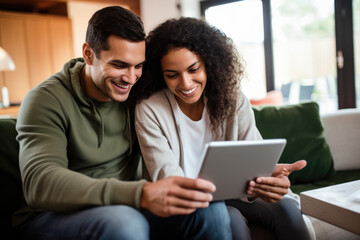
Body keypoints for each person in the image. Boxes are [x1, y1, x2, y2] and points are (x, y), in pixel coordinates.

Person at [14, 7, 233, 240]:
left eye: (138, 66)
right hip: (54, 216)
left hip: (129, 206)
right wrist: (140, 193)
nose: (130, 78)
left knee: (209, 208)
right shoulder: (46, 100)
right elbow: (40, 182)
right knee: (124, 223)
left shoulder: (139, 92)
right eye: (119, 65)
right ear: (88, 54)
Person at [133, 17, 312, 240]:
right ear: (161, 74)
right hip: (193, 205)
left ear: (209, 62)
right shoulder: (150, 110)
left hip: (240, 195)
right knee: (229, 220)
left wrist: (267, 178)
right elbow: (167, 178)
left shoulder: (233, 99)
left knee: (287, 209)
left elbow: (253, 156)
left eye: (193, 69)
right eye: (172, 75)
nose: (186, 83)